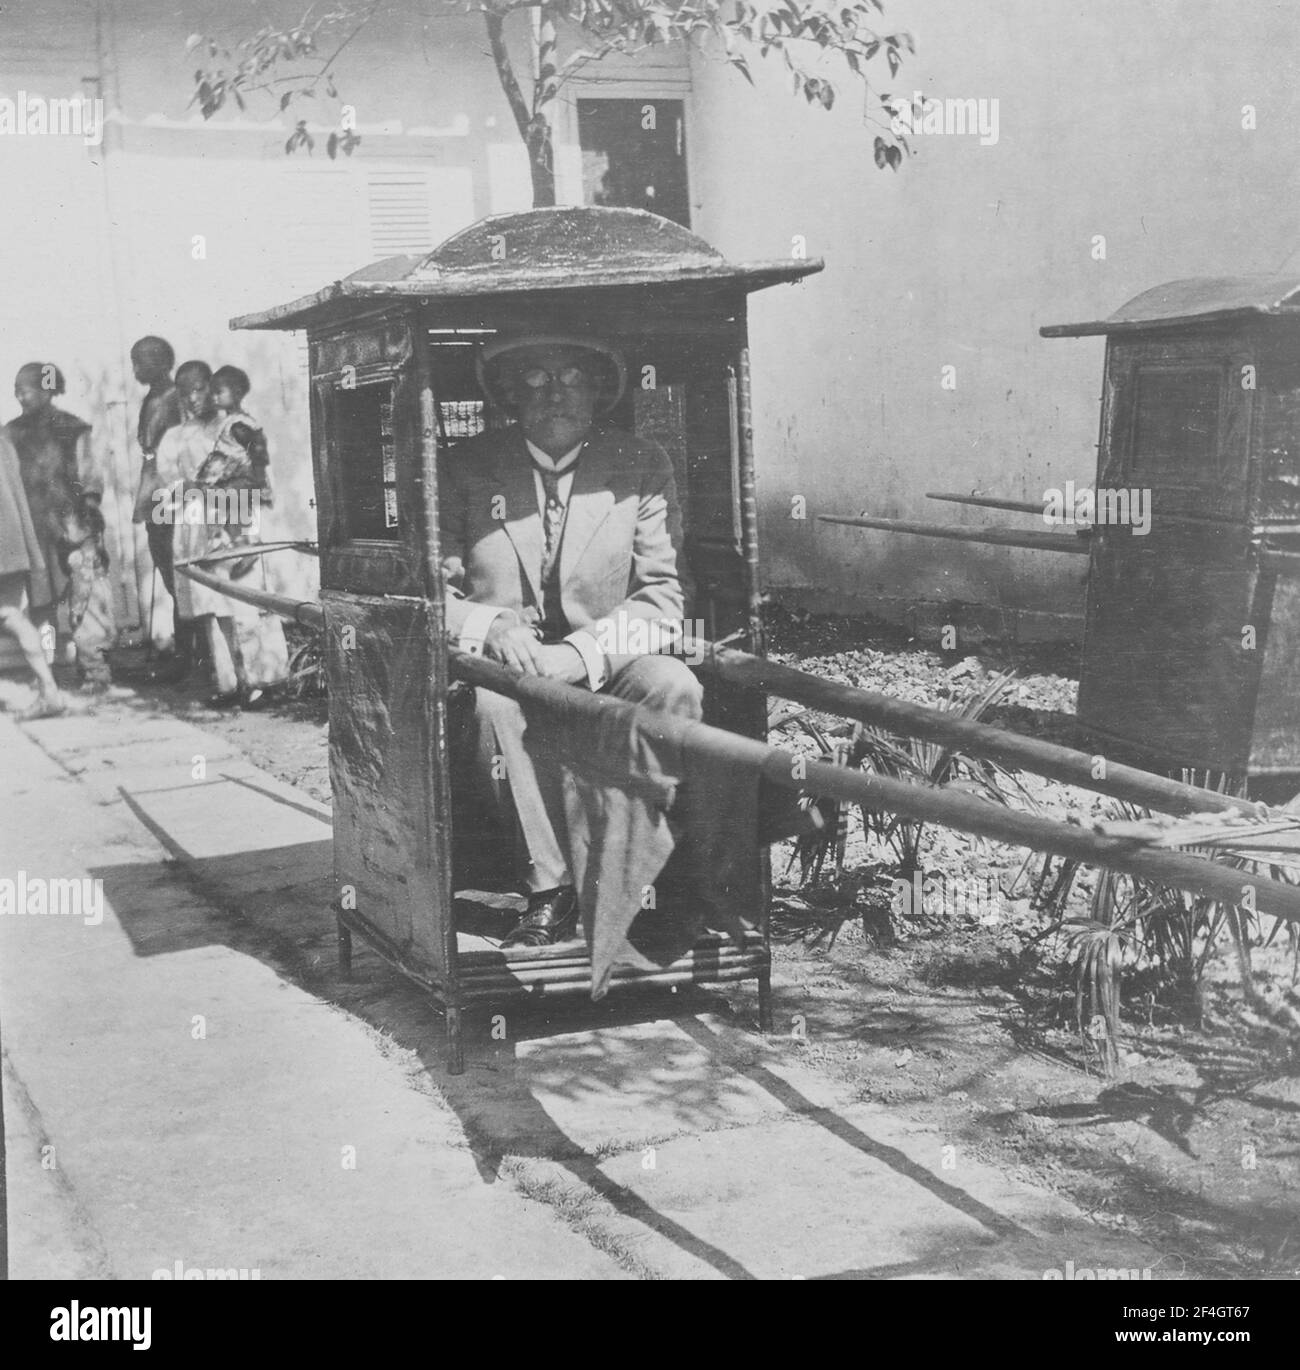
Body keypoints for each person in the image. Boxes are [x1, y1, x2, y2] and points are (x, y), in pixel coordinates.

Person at [440, 332, 702, 947]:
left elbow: (663, 598)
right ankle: (550, 890)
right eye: (535, 378)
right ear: (510, 393)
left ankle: (637, 876)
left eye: (572, 378)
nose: (555, 393)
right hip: (504, 669)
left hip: (604, 659)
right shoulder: (466, 468)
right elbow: (428, 590)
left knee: (674, 686)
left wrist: (579, 655)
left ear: (597, 393)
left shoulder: (640, 464)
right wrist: (492, 626)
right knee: (493, 705)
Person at [164, 361, 287, 707]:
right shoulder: (179, 435)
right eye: (185, 391)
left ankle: (263, 679)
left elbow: (255, 471)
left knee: (245, 598)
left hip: (236, 514)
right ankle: (230, 681)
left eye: (203, 388)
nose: (196, 397)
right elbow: (173, 482)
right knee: (214, 603)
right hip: (200, 520)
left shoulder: (237, 427)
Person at [6, 362, 98, 643]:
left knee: (83, 595)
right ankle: (47, 665)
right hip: (33, 529)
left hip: (72, 526)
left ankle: (94, 671)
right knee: (41, 602)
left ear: (47, 390)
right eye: (16, 392)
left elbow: (89, 474)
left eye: (26, 391)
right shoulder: (10, 433)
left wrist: (90, 513)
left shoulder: (72, 427)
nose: (20, 398)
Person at [129, 336, 185, 675]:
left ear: (162, 362)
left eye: (141, 361)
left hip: (170, 495)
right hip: (156, 495)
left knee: (177, 572)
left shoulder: (173, 399)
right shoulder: (153, 398)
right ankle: (184, 652)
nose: (136, 368)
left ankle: (190, 657)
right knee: (169, 572)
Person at [0, 426, 66, 718]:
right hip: (11, 547)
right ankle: (49, 689)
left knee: (10, 616)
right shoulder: (5, 443)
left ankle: (50, 691)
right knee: (12, 616)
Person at [57, 492, 115, 693]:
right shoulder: (96, 548)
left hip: (88, 601)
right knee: (102, 633)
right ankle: (97, 671)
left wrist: (77, 611)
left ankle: (96, 678)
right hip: (101, 594)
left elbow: (83, 584)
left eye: (67, 529)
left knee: (87, 636)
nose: (64, 535)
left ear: (86, 529)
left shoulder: (79, 555)